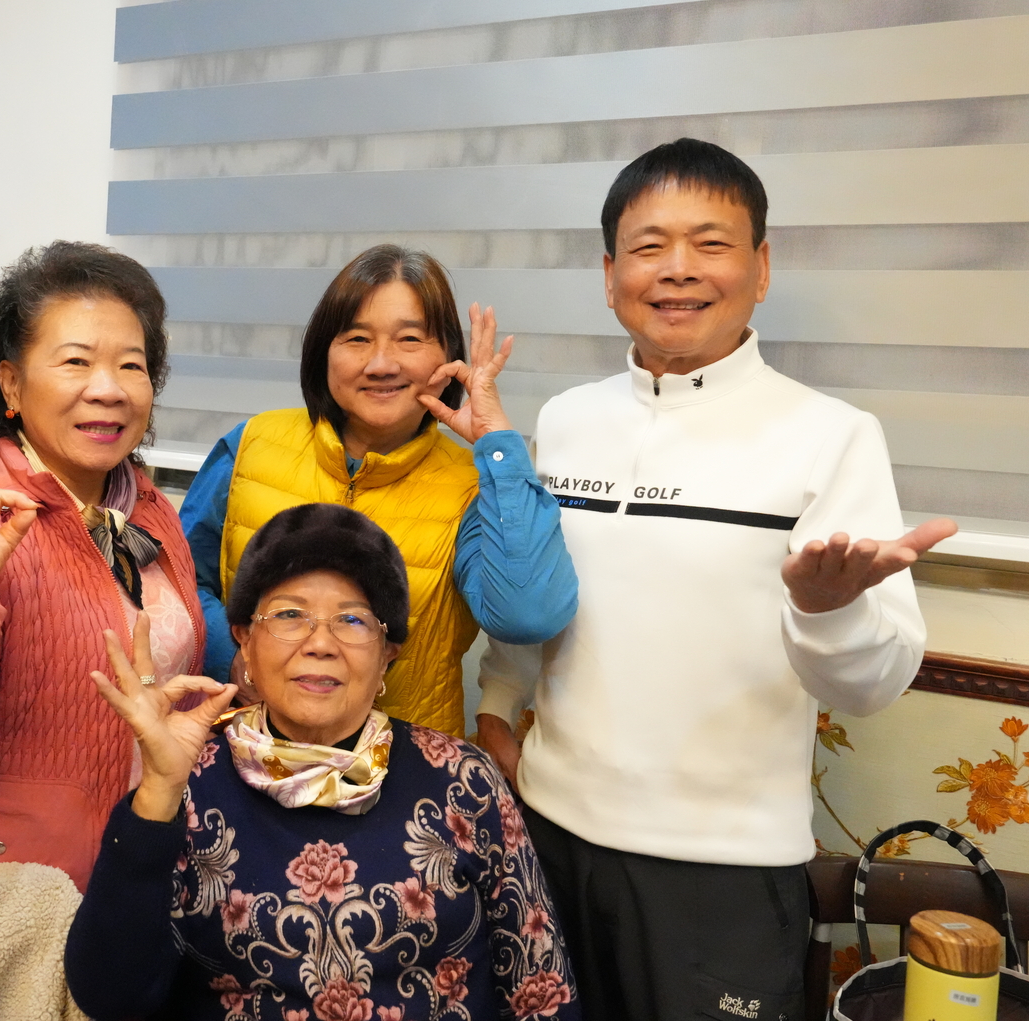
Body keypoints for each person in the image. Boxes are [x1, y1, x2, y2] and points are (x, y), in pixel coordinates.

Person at [476, 138, 957, 1021]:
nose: (678, 269)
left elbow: (873, 685)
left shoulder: (830, 435)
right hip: (547, 838)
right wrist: (497, 709)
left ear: (761, 268)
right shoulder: (570, 418)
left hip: (722, 874)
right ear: (610, 274)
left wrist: (826, 610)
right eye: (648, 246)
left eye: (711, 243)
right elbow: (539, 594)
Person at [66, 502, 579, 1021]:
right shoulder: (186, 782)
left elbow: (541, 988)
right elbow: (111, 998)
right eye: (290, 615)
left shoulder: (463, 781)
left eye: (352, 620)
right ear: (245, 639)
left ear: (388, 653)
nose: (320, 644)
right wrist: (158, 790)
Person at [0, 241, 201, 890]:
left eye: (131, 366)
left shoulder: (150, 511)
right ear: (12, 384)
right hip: (5, 899)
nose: (108, 389)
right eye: (76, 361)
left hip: (135, 876)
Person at [180, 244, 577, 737]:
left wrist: (497, 442)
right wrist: (236, 655)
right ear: (323, 352)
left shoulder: (476, 487)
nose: (381, 363)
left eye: (409, 339)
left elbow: (527, 616)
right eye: (357, 338)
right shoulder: (250, 445)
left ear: (448, 357)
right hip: (250, 748)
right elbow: (180, 582)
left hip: (406, 765)